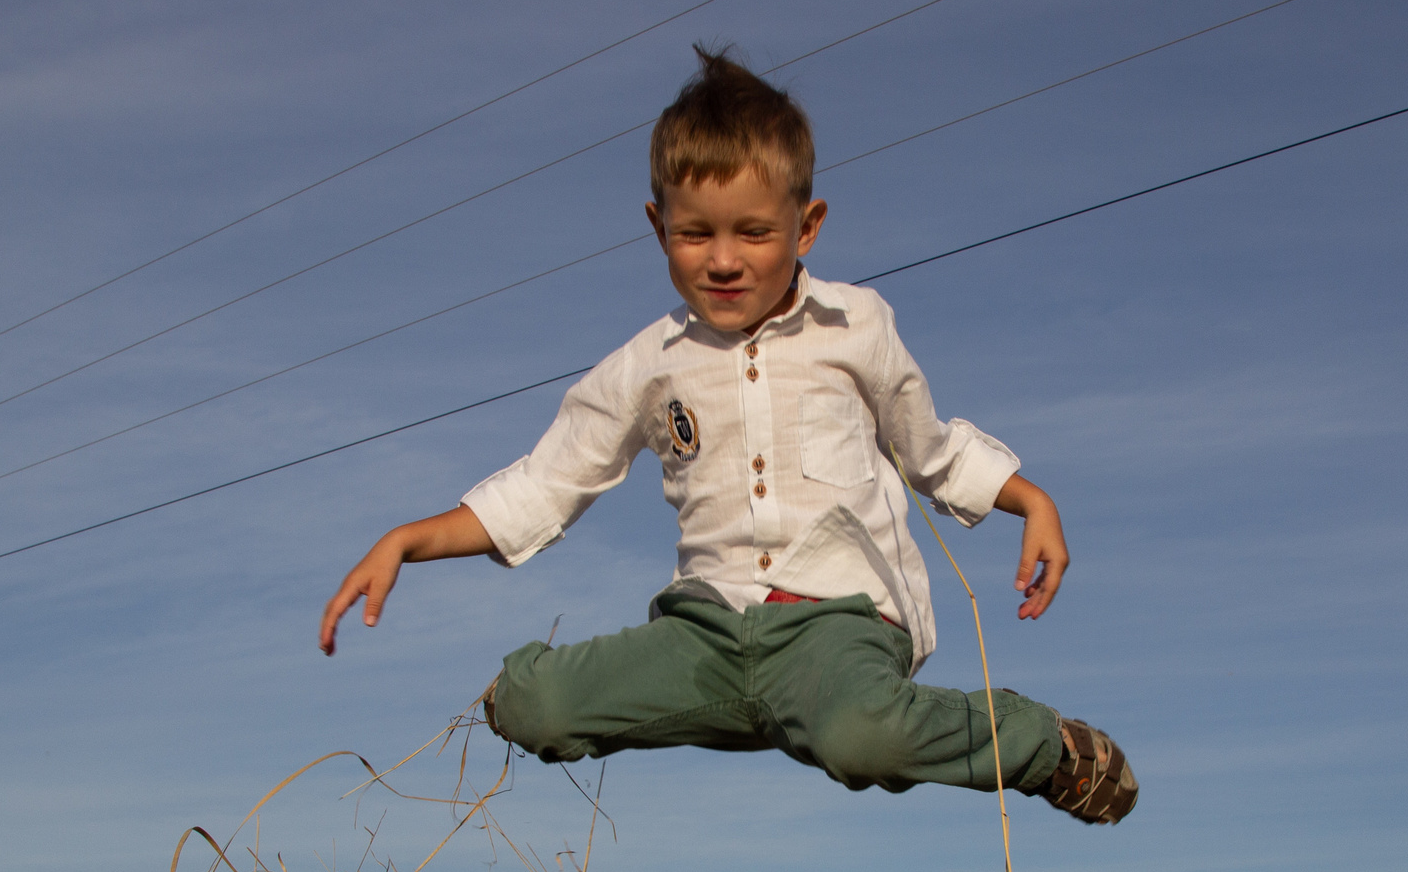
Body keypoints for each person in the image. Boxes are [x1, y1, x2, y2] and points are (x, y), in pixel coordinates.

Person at [319, 48, 1136, 823]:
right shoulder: (649, 365)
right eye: (694, 232)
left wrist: (1031, 500)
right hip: (704, 631)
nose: (722, 260)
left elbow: (932, 450)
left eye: (754, 232)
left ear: (806, 226)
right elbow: (547, 483)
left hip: (838, 623)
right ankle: (546, 694)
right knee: (535, 705)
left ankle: (1043, 746)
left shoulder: (858, 326)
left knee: (860, 736)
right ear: (656, 224)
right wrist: (408, 538)